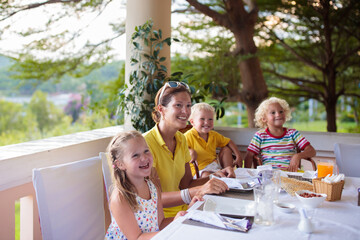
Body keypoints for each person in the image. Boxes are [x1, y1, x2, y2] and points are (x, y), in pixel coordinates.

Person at [143, 81, 235, 218]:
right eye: (178, 105)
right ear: (161, 109)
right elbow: (153, 199)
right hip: (161, 219)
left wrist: (215, 176)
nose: (185, 112)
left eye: (188, 106)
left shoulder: (181, 139)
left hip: (186, 210)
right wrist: (198, 190)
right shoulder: (146, 144)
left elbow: (186, 184)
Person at [105, 131, 199, 240]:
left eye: (146, 151)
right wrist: (175, 228)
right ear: (120, 164)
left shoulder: (153, 187)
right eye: (135, 155)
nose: (144, 158)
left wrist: (182, 217)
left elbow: (160, 224)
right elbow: (137, 238)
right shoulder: (120, 197)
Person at [244, 97, 316, 172]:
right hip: (270, 176)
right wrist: (246, 174)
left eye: (281, 111)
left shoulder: (292, 133)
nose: (278, 115)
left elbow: (312, 151)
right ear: (264, 118)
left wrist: (297, 156)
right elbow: (249, 156)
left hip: (290, 176)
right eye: (273, 113)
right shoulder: (260, 135)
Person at [184, 102, 243, 178]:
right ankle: (222, 177)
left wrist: (238, 156)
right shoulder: (188, 136)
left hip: (214, 167)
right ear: (192, 122)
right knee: (208, 176)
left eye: (210, 119)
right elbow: (180, 149)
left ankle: (228, 172)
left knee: (226, 149)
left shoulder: (213, 135)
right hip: (199, 171)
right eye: (202, 119)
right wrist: (189, 151)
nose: (207, 122)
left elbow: (229, 142)